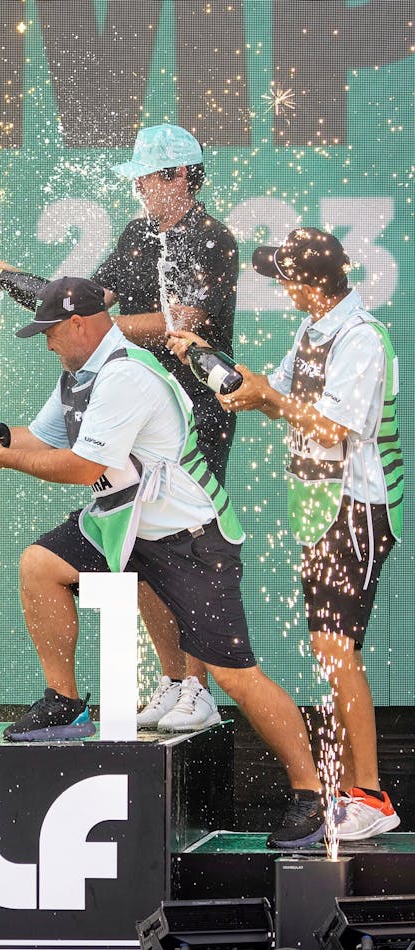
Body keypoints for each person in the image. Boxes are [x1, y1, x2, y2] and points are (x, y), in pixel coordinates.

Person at [0, 276, 324, 849]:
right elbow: (33, 435)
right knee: (40, 564)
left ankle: (311, 794)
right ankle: (66, 706)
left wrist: (3, 462)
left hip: (188, 537)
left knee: (233, 674)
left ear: (79, 325)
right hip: (122, 523)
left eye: (50, 333)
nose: (46, 343)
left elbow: (76, 467)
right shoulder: (79, 374)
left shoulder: (125, 376)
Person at [0, 124, 239, 732]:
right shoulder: (139, 233)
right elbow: (95, 298)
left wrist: (104, 325)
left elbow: (183, 319)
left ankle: (199, 689)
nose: (141, 191)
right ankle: (176, 681)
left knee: (184, 551)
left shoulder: (212, 239)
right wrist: (26, 284)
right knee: (137, 549)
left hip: (190, 417)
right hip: (126, 409)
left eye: (148, 179)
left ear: (178, 177)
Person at [170, 228, 402, 841]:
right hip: (320, 506)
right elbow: (274, 398)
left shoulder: (362, 338)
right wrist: (214, 364)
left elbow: (332, 426)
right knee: (331, 651)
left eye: (285, 276)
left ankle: (372, 796)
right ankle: (352, 790)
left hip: (357, 506)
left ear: (310, 283)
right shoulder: (311, 330)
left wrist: (269, 393)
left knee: (334, 650)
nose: (281, 285)